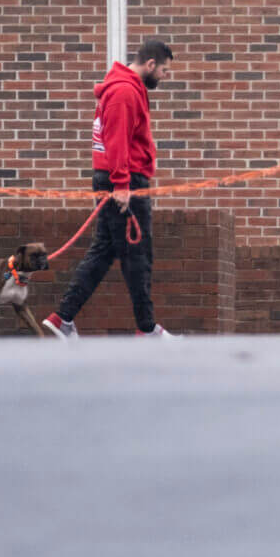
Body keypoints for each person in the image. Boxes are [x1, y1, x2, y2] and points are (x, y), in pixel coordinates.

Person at [41, 38, 175, 340]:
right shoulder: (125, 92)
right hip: (124, 183)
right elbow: (116, 141)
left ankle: (63, 317)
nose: (165, 78)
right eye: (165, 72)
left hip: (119, 181)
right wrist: (122, 185)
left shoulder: (126, 89)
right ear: (150, 64)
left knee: (104, 251)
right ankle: (147, 328)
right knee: (138, 255)